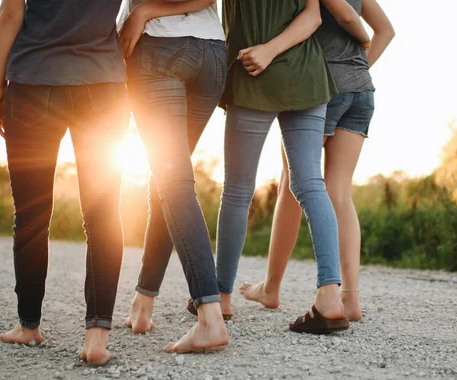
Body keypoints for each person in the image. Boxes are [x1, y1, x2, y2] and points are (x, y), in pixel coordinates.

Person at [0, 0, 129, 366]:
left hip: (34, 79)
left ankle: (29, 325)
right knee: (103, 213)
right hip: (102, 80)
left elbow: (10, 11)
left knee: (32, 213)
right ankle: (97, 336)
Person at [241, 0, 394, 321]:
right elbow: (387, 31)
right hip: (362, 90)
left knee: (293, 182)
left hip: (322, 87)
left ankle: (271, 287)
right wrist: (360, 64)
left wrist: (358, 36)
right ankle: (350, 299)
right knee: (338, 191)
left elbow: (349, 17)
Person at [209, 0, 348, 333]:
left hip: (255, 72)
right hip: (306, 75)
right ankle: (330, 297)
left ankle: (221, 297)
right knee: (311, 183)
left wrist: (268, 51)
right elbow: (312, 16)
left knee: (238, 191)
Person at [118, 0, 229, 352]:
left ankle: (210, 318)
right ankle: (143, 303)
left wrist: (142, 12)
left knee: (173, 182)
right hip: (212, 53)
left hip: (159, 49)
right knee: (165, 182)